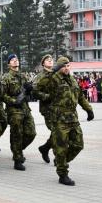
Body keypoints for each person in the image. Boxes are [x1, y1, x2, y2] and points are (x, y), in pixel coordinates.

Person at [48, 56, 94, 186]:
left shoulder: (73, 80)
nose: (66, 68)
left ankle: (60, 161)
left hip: (72, 118)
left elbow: (80, 97)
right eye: (64, 66)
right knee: (61, 148)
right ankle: (63, 174)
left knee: (78, 144)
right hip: (59, 119)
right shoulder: (53, 79)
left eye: (68, 66)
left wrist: (89, 110)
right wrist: (54, 71)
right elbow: (41, 84)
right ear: (59, 67)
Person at [1, 54, 36, 171]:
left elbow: (28, 93)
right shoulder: (6, 77)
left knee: (31, 133)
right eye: (12, 60)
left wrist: (30, 90)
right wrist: (13, 101)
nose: (16, 61)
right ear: (8, 64)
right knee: (17, 134)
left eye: (17, 60)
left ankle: (17, 150)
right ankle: (17, 159)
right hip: (14, 110)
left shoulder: (23, 76)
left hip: (25, 109)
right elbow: (2, 95)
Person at [32, 54, 54, 164]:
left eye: (51, 60)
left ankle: (45, 148)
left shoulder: (56, 74)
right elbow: (34, 92)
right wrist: (47, 96)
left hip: (59, 108)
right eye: (47, 60)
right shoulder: (40, 76)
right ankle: (59, 158)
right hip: (48, 109)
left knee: (58, 132)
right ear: (43, 63)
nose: (50, 61)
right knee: (57, 132)